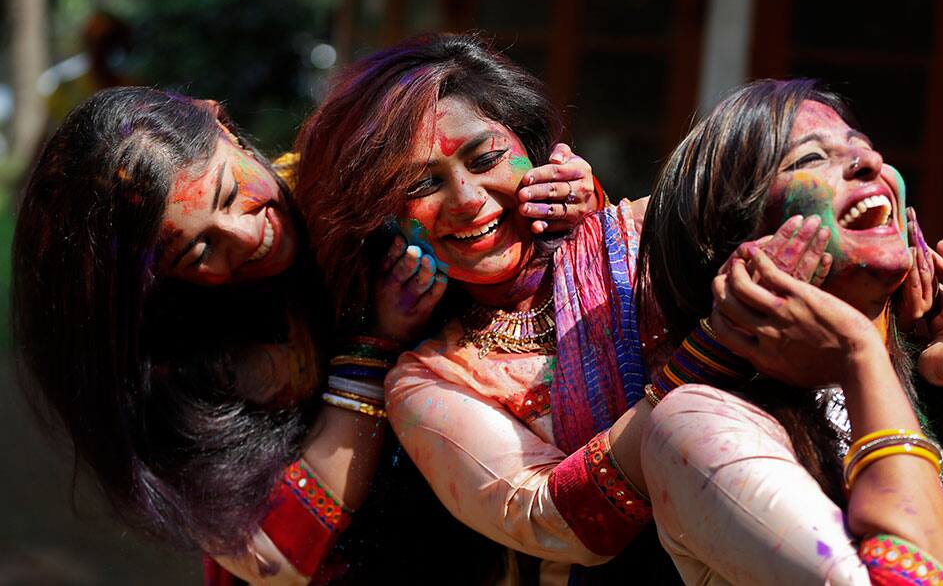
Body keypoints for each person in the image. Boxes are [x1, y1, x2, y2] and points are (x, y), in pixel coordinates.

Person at [12, 85, 599, 585]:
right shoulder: (173, 363)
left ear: (223, 124)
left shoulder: (345, 187)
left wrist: (566, 209)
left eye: (226, 195)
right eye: (197, 249)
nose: (245, 237)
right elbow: (275, 558)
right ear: (152, 284)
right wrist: (371, 351)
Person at [294, 32, 691, 584]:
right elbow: (561, 524)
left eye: (486, 159)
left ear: (533, 150)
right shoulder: (432, 380)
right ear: (383, 220)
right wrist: (699, 375)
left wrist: (599, 237)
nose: (467, 199)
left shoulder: (650, 235)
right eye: (422, 183)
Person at [637, 79, 943, 584]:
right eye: (810, 160)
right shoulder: (699, 426)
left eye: (865, 148)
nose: (870, 164)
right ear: (735, 237)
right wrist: (860, 355)